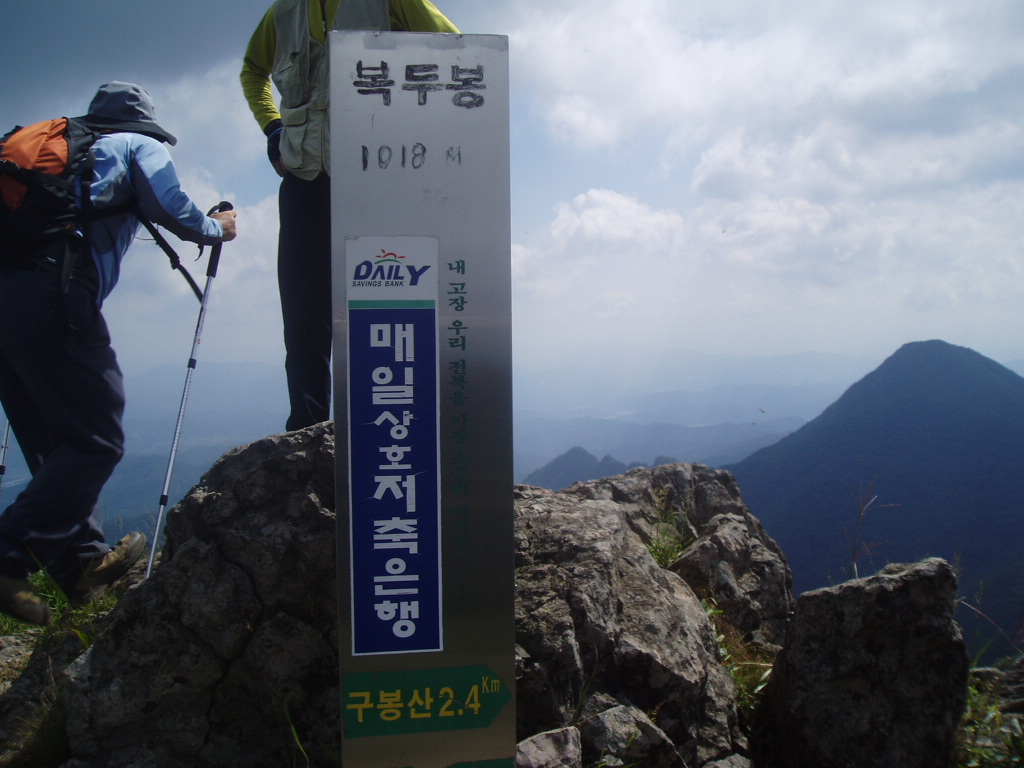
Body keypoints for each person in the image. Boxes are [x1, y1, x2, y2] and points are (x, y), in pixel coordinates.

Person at [0, 82, 238, 625]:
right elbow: (174, 209)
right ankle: (7, 551)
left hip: (7, 299)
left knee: (53, 441)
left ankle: (79, 568)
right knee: (96, 441)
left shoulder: (47, 154)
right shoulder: (137, 145)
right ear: (144, 123)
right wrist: (216, 228)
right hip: (54, 295)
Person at [240, 0, 459, 431]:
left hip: (374, 177)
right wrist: (272, 127)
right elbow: (253, 70)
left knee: (383, 305)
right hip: (304, 177)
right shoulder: (285, 12)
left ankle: (384, 426)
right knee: (304, 316)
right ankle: (307, 433)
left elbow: (456, 49)